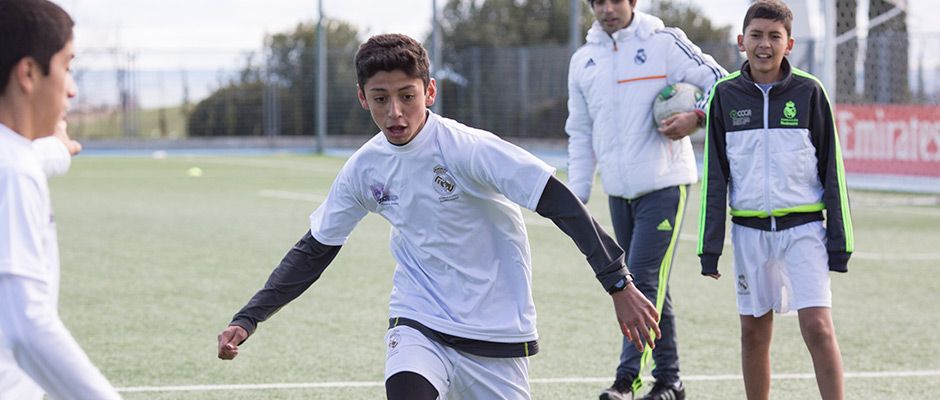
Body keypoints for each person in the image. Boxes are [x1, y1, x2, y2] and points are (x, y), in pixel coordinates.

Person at [216, 33, 660, 400]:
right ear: (362, 98)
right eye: (380, 98)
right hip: (419, 320)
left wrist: (617, 282)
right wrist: (248, 317)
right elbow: (315, 248)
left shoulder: (469, 149)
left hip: (497, 331)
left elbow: (560, 202)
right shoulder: (364, 168)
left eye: (407, 96)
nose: (395, 112)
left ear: (429, 91)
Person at [565, 0, 726, 399]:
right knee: (653, 285)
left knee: (639, 281)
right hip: (618, 193)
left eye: (615, 0)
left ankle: (626, 380)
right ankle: (670, 381)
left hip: (665, 186)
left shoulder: (664, 43)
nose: (606, 8)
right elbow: (580, 132)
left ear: (633, 2)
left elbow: (722, 83)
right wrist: (578, 196)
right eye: (598, 2)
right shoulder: (583, 61)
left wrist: (698, 117)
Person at [697, 1, 854, 399]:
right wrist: (709, 248)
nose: (764, 44)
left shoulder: (810, 92)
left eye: (774, 36)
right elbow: (715, 177)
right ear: (741, 41)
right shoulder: (725, 96)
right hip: (749, 234)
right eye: (756, 35)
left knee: (818, 327)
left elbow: (832, 172)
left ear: (789, 44)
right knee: (753, 332)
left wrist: (840, 242)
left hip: (804, 232)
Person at [0, 0, 122, 398]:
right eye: (67, 67)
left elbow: (29, 158)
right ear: (29, 73)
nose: (72, 88)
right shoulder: (14, 171)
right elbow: (26, 326)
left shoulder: (16, 162)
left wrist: (56, 149)